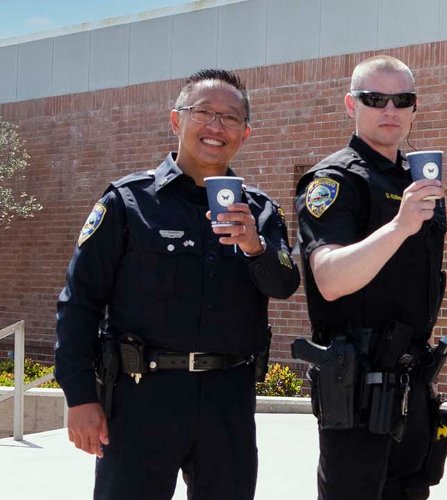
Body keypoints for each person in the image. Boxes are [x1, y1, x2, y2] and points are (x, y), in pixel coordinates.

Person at [55, 68, 300, 499]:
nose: (216, 126)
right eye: (204, 112)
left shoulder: (260, 211)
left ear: (246, 134)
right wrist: (80, 397)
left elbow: (284, 285)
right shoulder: (128, 202)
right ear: (176, 121)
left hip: (228, 399)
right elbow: (79, 303)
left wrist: (255, 247)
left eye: (231, 118)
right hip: (142, 398)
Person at [295, 55, 447, 500]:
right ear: (350, 104)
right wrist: (399, 227)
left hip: (412, 382)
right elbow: (329, 278)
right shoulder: (335, 180)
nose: (390, 110)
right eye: (375, 98)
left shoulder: (416, 180)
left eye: (403, 100)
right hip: (357, 387)